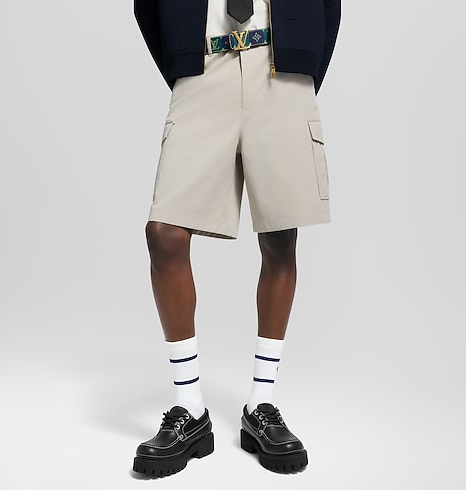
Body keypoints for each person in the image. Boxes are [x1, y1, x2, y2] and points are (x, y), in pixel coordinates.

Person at [132, 0, 341, 477]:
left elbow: (330, 8)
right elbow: (147, 8)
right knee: (164, 232)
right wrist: (185, 58)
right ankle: (189, 408)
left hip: (282, 71)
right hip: (204, 69)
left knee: (280, 235)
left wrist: (303, 65)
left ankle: (261, 404)